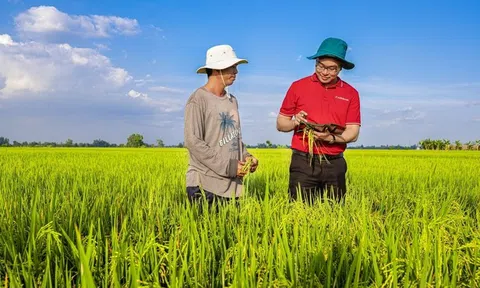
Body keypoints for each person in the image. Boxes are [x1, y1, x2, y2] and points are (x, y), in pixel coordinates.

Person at [276, 37, 361, 204]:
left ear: (340, 68)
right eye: (320, 66)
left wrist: (329, 138)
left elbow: (353, 132)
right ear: (316, 62)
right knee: (299, 211)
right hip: (303, 161)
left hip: (334, 162)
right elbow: (281, 123)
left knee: (334, 212)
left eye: (331, 69)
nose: (324, 72)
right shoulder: (298, 86)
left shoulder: (351, 93)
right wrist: (295, 122)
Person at [184, 44, 258, 207]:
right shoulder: (198, 99)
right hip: (205, 187)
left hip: (231, 187)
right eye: (232, 67)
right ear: (217, 69)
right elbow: (193, 141)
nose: (236, 72)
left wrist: (247, 156)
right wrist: (229, 167)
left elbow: (234, 138)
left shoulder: (232, 101)